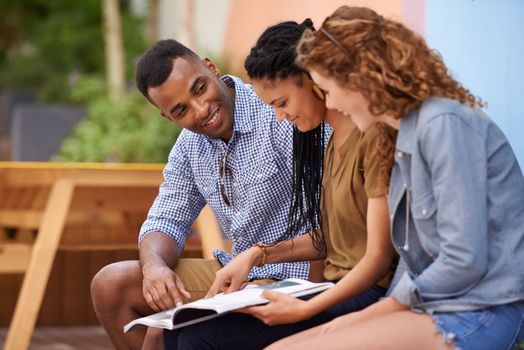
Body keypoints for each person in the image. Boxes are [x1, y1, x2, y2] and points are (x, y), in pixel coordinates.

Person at [267, 6, 524, 350]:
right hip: (437, 305)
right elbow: (411, 260)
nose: (333, 104)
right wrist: (363, 318)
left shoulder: (442, 124)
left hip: (482, 309)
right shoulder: (399, 135)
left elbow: (463, 259)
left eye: (328, 90)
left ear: (359, 79)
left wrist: (374, 313)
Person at [165, 19, 398, 349]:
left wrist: (307, 309)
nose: (279, 117)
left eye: (281, 103)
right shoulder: (330, 141)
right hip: (329, 289)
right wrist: (256, 255)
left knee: (201, 340)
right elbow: (330, 239)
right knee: (173, 330)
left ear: (312, 80)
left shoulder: (370, 136)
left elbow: (377, 258)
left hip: (363, 294)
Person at [90, 39, 314, 350]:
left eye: (199, 89)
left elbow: (333, 228)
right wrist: (153, 267)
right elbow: (166, 219)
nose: (202, 110)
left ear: (211, 68)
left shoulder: (277, 111)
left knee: (177, 334)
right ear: (168, 117)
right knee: (112, 286)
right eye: (181, 110)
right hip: (234, 274)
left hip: (297, 274)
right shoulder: (188, 146)